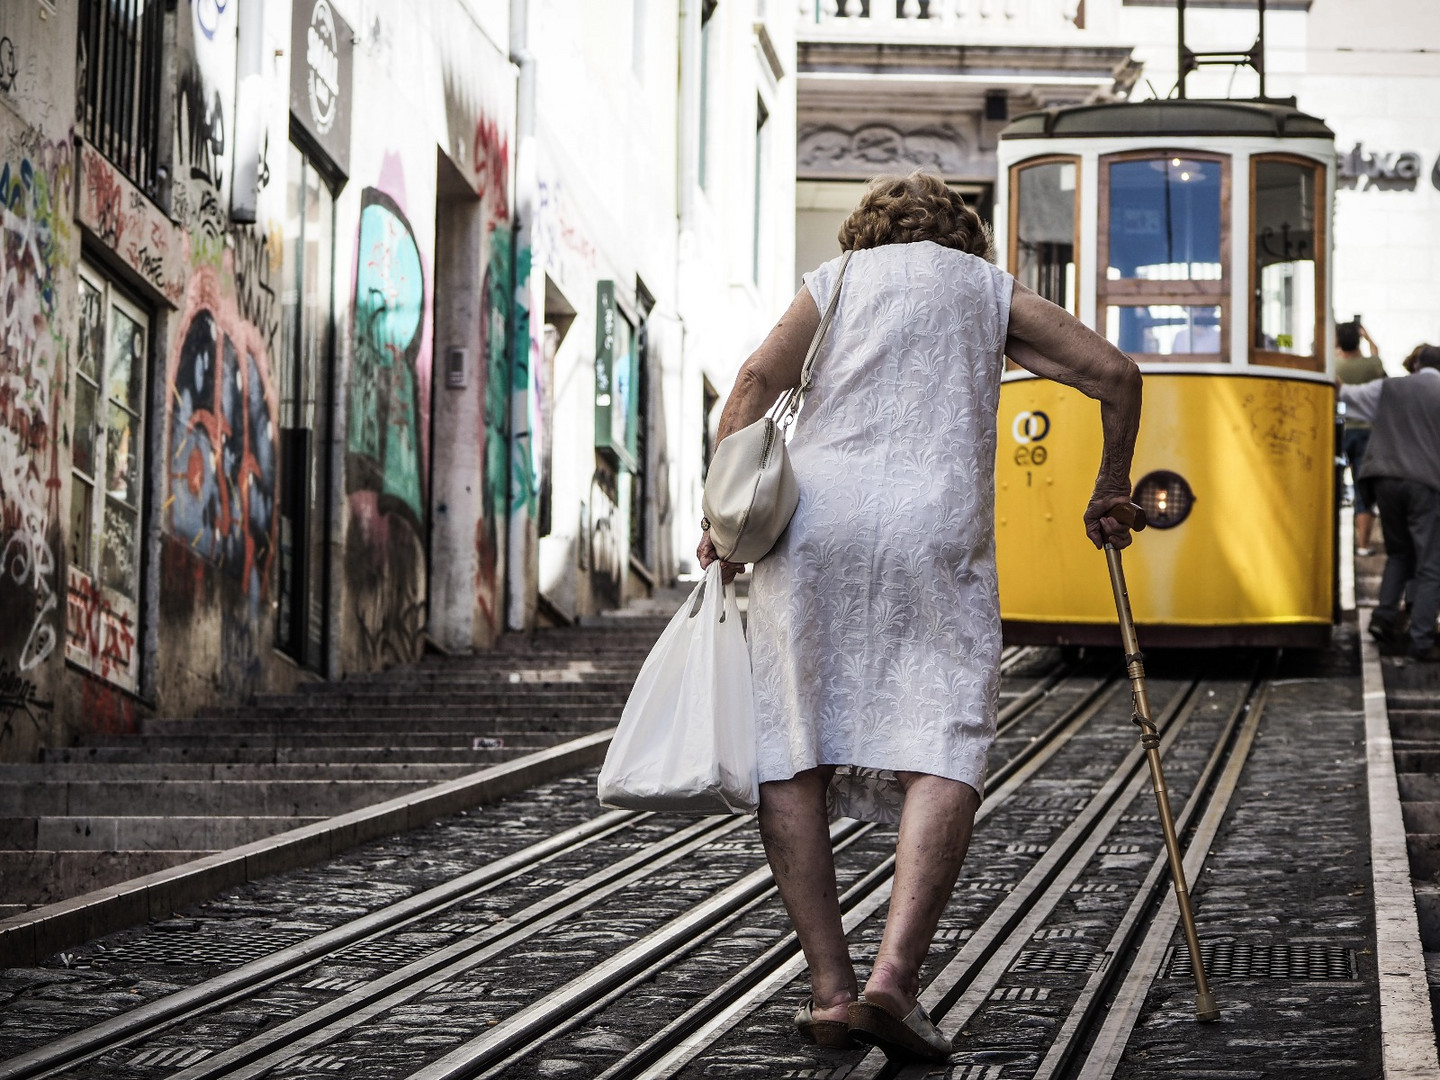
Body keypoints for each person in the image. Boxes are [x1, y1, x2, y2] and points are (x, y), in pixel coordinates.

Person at [696, 171, 1142, 1062]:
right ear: (961, 236)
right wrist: (1109, 487)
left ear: (867, 229)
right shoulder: (985, 290)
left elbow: (750, 383)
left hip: (813, 529)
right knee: (945, 739)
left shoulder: (836, 281)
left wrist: (723, 523)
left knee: (794, 744)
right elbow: (1117, 375)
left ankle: (829, 991)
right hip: (934, 530)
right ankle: (894, 984)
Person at [1339, 344, 1440, 662]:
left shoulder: (1389, 386)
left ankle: (1383, 618)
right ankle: (1421, 640)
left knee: (1399, 553)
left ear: (1416, 365)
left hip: (1382, 479)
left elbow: (1347, 396)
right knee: (1430, 564)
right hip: (1424, 482)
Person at [1335, 319, 1386, 556]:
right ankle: (1363, 545)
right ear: (1358, 340)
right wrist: (1369, 337)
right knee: (1362, 487)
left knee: (1334, 484)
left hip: (1339, 429)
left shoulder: (1334, 366)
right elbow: (1377, 357)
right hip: (1366, 431)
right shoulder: (1371, 365)